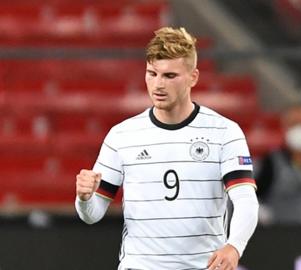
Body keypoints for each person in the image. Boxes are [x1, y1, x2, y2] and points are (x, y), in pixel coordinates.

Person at [75, 27, 259, 270]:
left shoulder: (225, 133)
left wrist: (234, 246)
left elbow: (246, 200)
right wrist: (84, 198)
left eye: (170, 76)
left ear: (193, 77)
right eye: (152, 74)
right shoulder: (122, 136)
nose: (158, 84)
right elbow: (92, 214)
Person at [256, 104, 301, 226]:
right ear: (285, 128)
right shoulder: (271, 162)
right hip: (282, 236)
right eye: (295, 124)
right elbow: (252, 196)